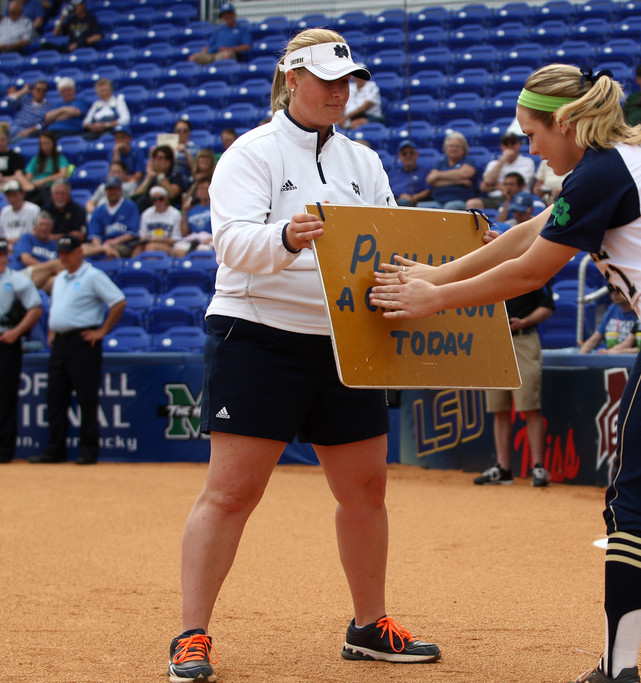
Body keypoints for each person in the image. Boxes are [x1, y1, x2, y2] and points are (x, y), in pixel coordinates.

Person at [370, 63, 641, 683]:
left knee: (632, 502)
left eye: (533, 135)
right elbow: (527, 232)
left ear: (566, 122)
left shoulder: (600, 170)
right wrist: (436, 274)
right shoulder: (636, 159)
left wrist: (433, 300)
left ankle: (617, 670)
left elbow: (529, 272)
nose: (533, 152)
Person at [166, 28, 441, 683]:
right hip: (257, 336)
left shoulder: (364, 162)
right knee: (231, 492)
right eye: (325, 80)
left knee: (367, 488)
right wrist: (286, 235)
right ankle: (191, 634)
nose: (339, 92)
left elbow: (390, 242)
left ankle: (369, 625)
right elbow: (230, 244)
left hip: (346, 341)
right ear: (293, 79)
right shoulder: (250, 153)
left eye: (347, 81)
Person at [29, 233, 125, 466]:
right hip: (60, 343)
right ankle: (55, 449)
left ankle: (88, 450)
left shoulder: (93, 275)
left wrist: (101, 331)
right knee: (55, 397)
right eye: (61, 253)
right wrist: (53, 330)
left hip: (83, 341)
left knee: (86, 397)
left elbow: (118, 300)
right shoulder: (60, 277)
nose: (64, 257)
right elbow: (57, 306)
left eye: (68, 253)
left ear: (80, 252)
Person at [472, 280, 554, 487]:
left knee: (530, 406)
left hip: (523, 338)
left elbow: (547, 307)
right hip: (495, 340)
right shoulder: (486, 270)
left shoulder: (529, 269)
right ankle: (503, 468)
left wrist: (524, 321)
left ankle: (537, 467)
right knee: (499, 407)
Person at [0, 236, 43, 464]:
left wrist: (16, 332)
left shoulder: (18, 280)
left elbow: (35, 309)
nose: (0, 259)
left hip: (7, 340)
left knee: (5, 397)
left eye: (3, 254)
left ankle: (4, 450)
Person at [468, 131, 536, 210]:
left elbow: (518, 185)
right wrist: (503, 159)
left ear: (519, 144)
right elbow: (486, 182)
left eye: (513, 143)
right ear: (501, 146)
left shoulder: (527, 162)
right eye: (506, 144)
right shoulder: (494, 163)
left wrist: (493, 187)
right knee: (472, 204)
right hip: (496, 198)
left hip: (519, 197)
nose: (510, 146)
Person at [420, 130, 478, 210]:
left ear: (464, 149)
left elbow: (464, 173)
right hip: (438, 201)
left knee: (450, 207)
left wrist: (438, 175)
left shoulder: (468, 160)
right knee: (421, 206)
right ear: (446, 148)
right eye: (451, 146)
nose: (454, 149)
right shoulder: (440, 163)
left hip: (460, 200)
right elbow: (431, 180)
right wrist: (458, 181)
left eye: (457, 146)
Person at [87, 175, 140, 258]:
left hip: (123, 244)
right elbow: (95, 235)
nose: (112, 192)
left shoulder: (130, 206)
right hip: (103, 245)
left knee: (109, 253)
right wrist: (100, 247)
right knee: (80, 249)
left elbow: (133, 233)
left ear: (120, 190)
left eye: (115, 189)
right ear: (105, 191)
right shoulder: (99, 210)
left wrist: (116, 241)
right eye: (110, 189)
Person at [13, 209, 62, 291]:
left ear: (51, 229)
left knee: (56, 281)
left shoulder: (54, 245)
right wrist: (49, 268)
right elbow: (26, 259)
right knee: (55, 264)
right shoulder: (27, 237)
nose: (44, 228)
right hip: (24, 276)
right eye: (41, 224)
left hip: (43, 280)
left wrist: (47, 271)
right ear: (35, 226)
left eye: (47, 225)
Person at [579, 289, 640, 354]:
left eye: (619, 290)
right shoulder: (613, 308)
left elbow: (628, 343)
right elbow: (596, 336)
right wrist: (582, 353)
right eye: (611, 290)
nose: (614, 294)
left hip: (625, 358)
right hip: (604, 355)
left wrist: (609, 352)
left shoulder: (640, 312)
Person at [24, 130, 71, 205]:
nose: (45, 146)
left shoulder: (60, 158)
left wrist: (43, 181)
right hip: (35, 189)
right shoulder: (36, 159)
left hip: (51, 189)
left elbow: (63, 174)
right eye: (42, 144)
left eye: (47, 143)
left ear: (53, 143)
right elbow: (29, 175)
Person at [133, 145, 185, 211]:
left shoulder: (176, 175)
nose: (163, 161)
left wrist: (160, 175)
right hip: (150, 209)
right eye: (160, 158)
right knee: (142, 199)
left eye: (167, 158)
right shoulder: (151, 176)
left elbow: (172, 194)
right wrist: (149, 176)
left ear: (171, 161)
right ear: (154, 160)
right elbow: (137, 195)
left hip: (169, 208)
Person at [136, 185, 182, 255]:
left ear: (166, 199)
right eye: (154, 200)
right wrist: (145, 239)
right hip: (149, 243)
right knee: (137, 249)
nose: (158, 202)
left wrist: (159, 239)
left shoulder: (175, 214)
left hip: (169, 245)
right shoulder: (146, 214)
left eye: (161, 199)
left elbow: (176, 239)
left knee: (151, 247)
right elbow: (143, 234)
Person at [175, 176, 213, 257]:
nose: (202, 191)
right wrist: (184, 213)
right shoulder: (192, 210)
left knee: (201, 250)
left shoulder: (215, 208)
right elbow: (185, 233)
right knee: (178, 250)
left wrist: (211, 239)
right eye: (200, 189)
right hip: (194, 239)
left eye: (205, 188)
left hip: (210, 238)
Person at [388, 140, 430, 207]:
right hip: (392, 203)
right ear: (399, 156)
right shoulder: (392, 173)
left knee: (404, 202)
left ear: (416, 154)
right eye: (404, 154)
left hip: (414, 204)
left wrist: (412, 197)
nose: (408, 156)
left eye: (411, 153)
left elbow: (428, 191)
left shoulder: (424, 171)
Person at [1, 179, 41, 244]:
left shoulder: (34, 209)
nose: (12, 199)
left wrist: (18, 239)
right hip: (7, 245)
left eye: (14, 195)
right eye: (9, 196)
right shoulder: (4, 211)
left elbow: (37, 232)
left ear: (22, 194)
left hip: (28, 243)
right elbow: (2, 234)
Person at [171, 119, 198, 187]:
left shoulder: (196, 149)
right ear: (175, 132)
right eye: (178, 131)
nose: (181, 133)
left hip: (187, 180)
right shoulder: (168, 148)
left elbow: (196, 169)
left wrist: (186, 153)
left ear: (189, 132)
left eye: (185, 131)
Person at [0, 122, 28, 188]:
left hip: (9, 183)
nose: (0, 143)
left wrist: (4, 179)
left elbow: (18, 175)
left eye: (2, 139)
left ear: (8, 139)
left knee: (13, 185)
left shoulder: (14, 156)